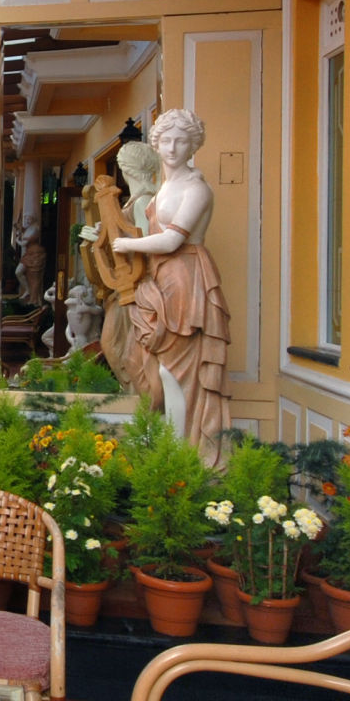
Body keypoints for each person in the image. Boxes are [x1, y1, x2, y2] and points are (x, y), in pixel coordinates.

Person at [105, 110, 232, 462]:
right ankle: (171, 448)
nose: (173, 148)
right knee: (161, 369)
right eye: (166, 141)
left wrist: (127, 245)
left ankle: (189, 453)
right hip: (160, 280)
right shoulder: (164, 188)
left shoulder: (197, 189)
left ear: (193, 146)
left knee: (182, 370)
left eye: (181, 141)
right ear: (157, 145)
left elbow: (172, 241)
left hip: (187, 280)